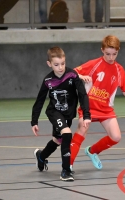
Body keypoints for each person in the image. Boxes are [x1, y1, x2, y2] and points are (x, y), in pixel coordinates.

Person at [70, 35, 125, 171]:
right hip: (89, 108)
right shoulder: (94, 64)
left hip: (106, 110)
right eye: (107, 54)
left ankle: (92, 151)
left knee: (116, 137)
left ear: (118, 51)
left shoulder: (119, 69)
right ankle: (68, 165)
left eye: (114, 54)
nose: (111, 57)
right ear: (102, 50)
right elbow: (73, 72)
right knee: (82, 128)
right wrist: (82, 76)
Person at [31, 47, 91, 181]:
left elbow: (82, 95)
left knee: (58, 140)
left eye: (63, 63)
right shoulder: (48, 80)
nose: (60, 67)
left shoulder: (73, 75)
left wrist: (86, 115)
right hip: (54, 111)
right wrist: (34, 121)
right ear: (49, 64)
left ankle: (41, 156)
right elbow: (39, 100)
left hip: (68, 114)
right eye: (56, 64)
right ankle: (66, 170)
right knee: (67, 134)